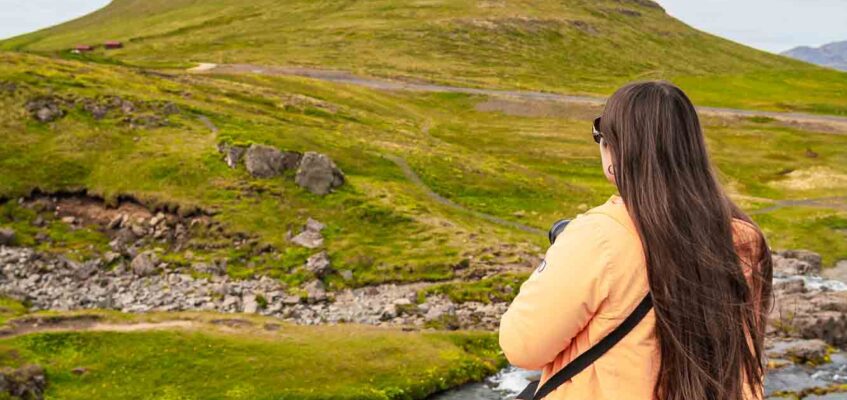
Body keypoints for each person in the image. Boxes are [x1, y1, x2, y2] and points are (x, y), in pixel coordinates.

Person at [499, 81, 773, 400]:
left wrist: (558, 255)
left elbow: (521, 346)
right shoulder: (743, 238)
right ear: (692, 148)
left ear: (614, 147)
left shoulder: (598, 236)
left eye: (601, 138)